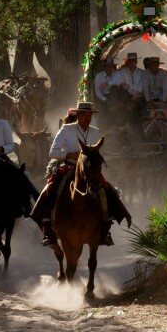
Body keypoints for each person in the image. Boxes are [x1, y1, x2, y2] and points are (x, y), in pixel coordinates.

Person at [30, 102, 131, 247]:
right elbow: (53, 152)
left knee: (107, 190)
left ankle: (105, 228)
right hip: (69, 166)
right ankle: (48, 229)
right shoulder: (66, 129)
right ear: (78, 115)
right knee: (50, 188)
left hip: (90, 170)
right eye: (85, 114)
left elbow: (99, 153)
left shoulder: (95, 132)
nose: (88, 117)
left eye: (90, 114)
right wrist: (69, 154)